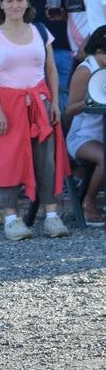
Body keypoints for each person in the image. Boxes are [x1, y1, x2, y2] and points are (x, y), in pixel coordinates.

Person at [0, 0, 69, 241]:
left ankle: (52, 216)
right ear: (1, 4)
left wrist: (54, 103)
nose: (15, 4)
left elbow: (50, 69)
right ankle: (10, 218)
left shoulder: (41, 32)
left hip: (39, 103)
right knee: (6, 160)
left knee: (46, 160)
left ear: (27, 2)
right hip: (5, 104)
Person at [65, 25, 106, 226]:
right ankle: (88, 203)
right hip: (82, 137)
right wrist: (90, 101)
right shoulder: (85, 70)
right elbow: (70, 110)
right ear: (99, 51)